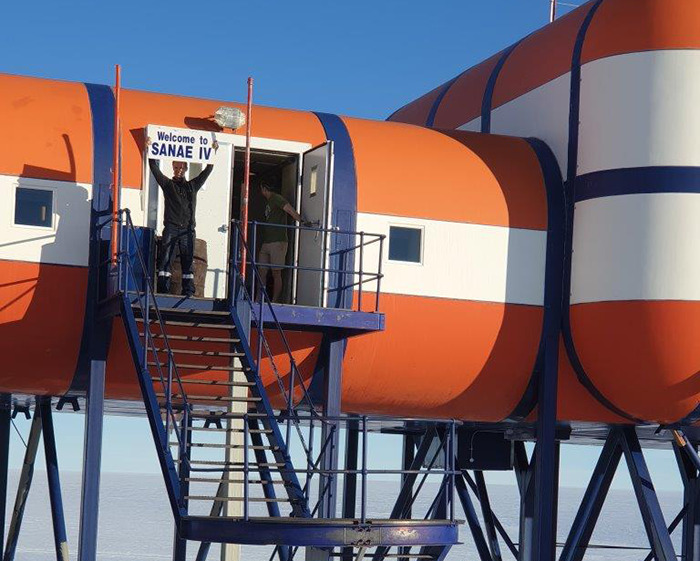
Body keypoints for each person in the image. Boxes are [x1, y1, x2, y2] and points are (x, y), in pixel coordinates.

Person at [146, 137, 219, 296]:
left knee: (188, 262)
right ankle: (163, 290)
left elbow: (207, 170)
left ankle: (188, 291)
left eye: (181, 167)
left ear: (185, 169)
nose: (178, 169)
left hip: (187, 230)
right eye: (175, 167)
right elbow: (154, 168)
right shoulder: (167, 185)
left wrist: (214, 151)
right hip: (171, 228)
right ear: (173, 168)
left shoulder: (192, 186)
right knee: (165, 260)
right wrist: (150, 149)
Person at [258, 182, 309, 302]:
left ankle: (274, 301)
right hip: (267, 241)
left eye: (261, 189)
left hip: (278, 241)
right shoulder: (269, 201)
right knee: (261, 271)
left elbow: (289, 210)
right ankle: (258, 298)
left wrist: (302, 221)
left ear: (264, 188)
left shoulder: (277, 198)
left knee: (276, 273)